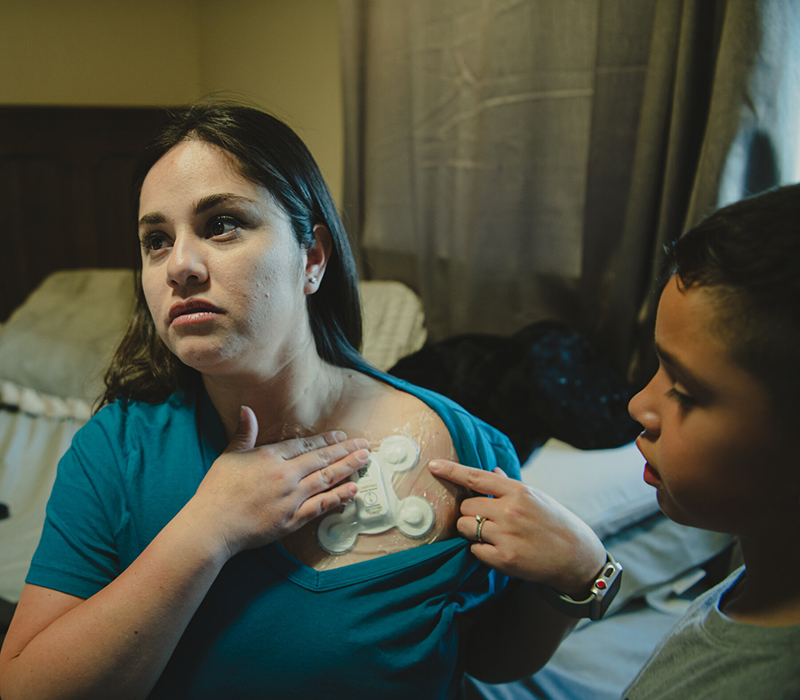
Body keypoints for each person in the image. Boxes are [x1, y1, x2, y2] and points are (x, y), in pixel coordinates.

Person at [0, 101, 606, 700]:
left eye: (221, 224)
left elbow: (483, 655)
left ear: (312, 256)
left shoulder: (461, 447)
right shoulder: (114, 451)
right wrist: (207, 530)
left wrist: (579, 581)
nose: (178, 265)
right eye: (156, 240)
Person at [432, 184, 800, 698]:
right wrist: (591, 573)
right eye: (657, 368)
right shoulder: (761, 574)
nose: (637, 407)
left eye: (685, 392)